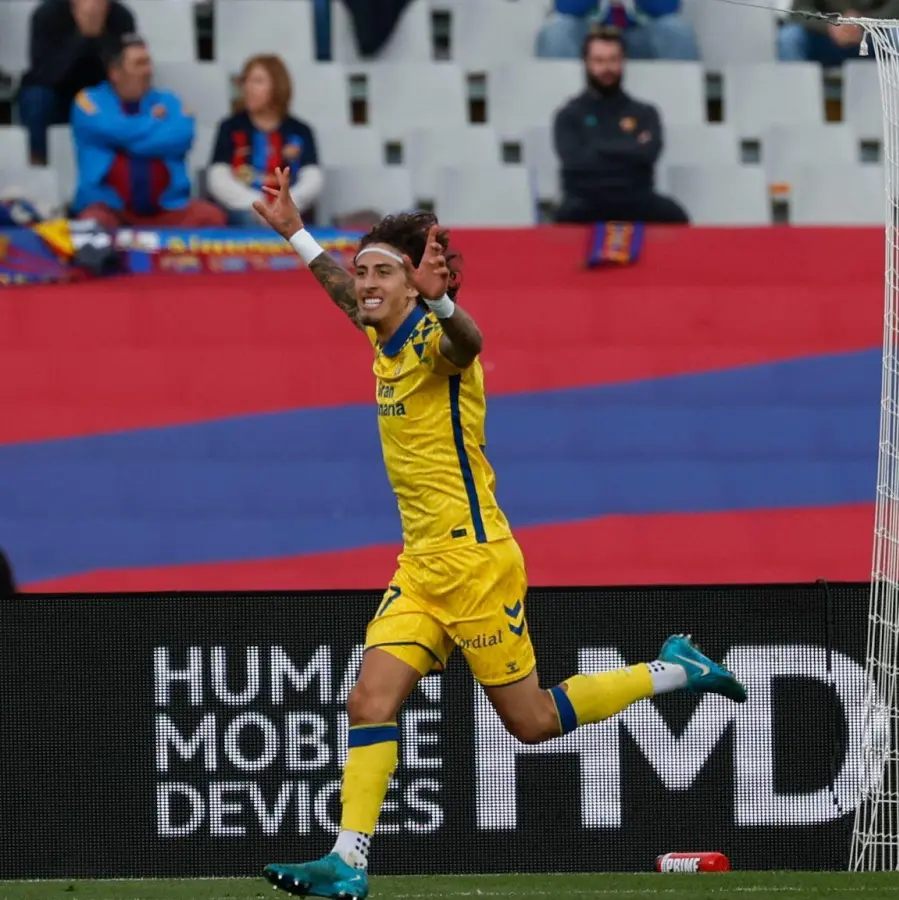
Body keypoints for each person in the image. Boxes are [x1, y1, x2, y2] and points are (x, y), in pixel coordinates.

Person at [249, 168, 743, 900]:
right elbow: (335, 285)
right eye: (363, 272)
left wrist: (445, 299)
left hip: (476, 564)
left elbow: (470, 339)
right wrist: (293, 229)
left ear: (417, 285)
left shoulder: (437, 342)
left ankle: (676, 670)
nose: (365, 284)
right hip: (421, 566)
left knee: (533, 723)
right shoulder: (377, 327)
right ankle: (348, 862)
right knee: (367, 702)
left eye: (382, 271)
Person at [69, 34, 226, 229]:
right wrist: (152, 121)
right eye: (139, 64)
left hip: (167, 210)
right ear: (115, 72)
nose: (149, 70)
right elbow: (115, 130)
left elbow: (181, 137)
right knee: (91, 223)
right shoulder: (88, 102)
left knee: (212, 217)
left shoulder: (169, 101)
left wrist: (125, 142)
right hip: (108, 208)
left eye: (148, 63)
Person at [552, 29, 689, 224]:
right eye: (599, 61)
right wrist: (629, 147)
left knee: (674, 216)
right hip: (585, 202)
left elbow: (648, 154)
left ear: (623, 61)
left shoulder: (645, 113)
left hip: (637, 199)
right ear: (587, 63)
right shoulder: (568, 115)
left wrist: (598, 148)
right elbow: (576, 163)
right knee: (564, 218)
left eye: (613, 60)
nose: (607, 68)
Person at [206, 54, 324, 227]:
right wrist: (254, 204)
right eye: (245, 81)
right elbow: (217, 178)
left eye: (258, 81)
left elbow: (313, 179)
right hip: (245, 212)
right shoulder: (230, 127)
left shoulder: (300, 130)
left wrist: (286, 203)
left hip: (289, 211)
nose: (248, 87)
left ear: (278, 86)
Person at [17, 0, 137, 166]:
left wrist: (98, 38)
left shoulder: (121, 17)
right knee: (36, 98)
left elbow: (121, 75)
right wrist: (81, 37)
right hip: (58, 95)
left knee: (133, 95)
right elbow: (45, 75)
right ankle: (39, 164)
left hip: (101, 96)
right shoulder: (47, 14)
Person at [536, 0, 699, 60]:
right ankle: (559, 106)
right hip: (591, 37)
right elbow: (566, 7)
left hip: (639, 38)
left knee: (676, 31)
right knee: (557, 32)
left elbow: (668, 8)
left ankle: (679, 107)